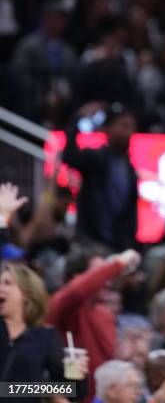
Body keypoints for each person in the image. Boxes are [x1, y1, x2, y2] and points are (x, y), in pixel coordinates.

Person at [46, 246, 141, 403]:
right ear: (77, 277)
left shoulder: (105, 315)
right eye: (100, 272)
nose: (107, 280)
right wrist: (117, 264)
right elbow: (77, 291)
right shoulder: (61, 306)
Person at [0, 262, 88, 402]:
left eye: (7, 283)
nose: (1, 288)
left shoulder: (45, 337)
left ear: (26, 294)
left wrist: (77, 376)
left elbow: (71, 391)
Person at [62, 101, 139, 251]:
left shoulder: (130, 169)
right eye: (123, 126)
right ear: (107, 129)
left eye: (131, 127)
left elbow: (130, 214)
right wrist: (77, 119)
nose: (128, 133)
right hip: (90, 242)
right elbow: (70, 157)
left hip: (117, 245)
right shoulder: (95, 158)